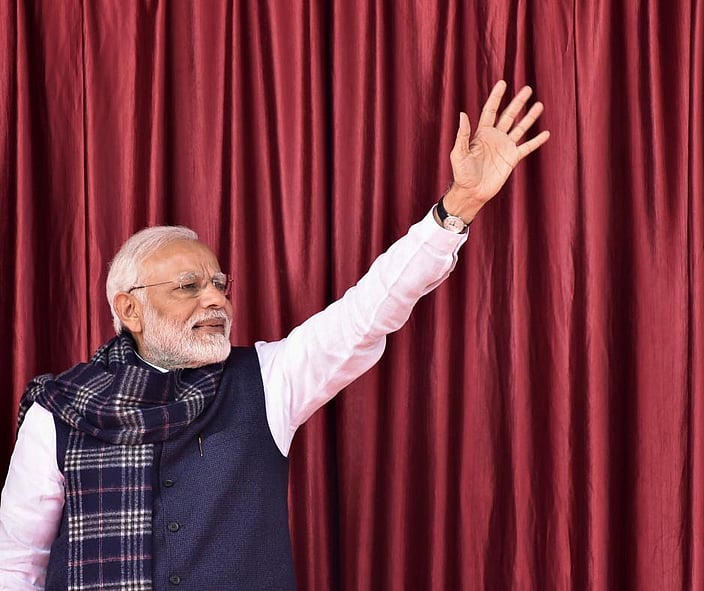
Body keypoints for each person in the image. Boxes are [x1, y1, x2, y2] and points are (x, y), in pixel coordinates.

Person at [0, 81, 549, 590]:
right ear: (130, 309)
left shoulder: (267, 380)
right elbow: (18, 563)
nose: (215, 299)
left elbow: (367, 312)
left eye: (219, 284)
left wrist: (458, 206)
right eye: (189, 287)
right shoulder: (59, 410)